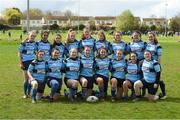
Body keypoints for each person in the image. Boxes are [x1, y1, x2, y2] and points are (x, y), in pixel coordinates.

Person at [145, 32, 166, 99]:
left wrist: (158, 65)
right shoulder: (147, 44)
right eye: (149, 37)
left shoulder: (158, 45)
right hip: (148, 63)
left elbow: (159, 57)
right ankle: (144, 93)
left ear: (154, 37)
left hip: (155, 64)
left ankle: (164, 94)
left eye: (151, 36)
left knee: (158, 79)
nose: (150, 38)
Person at [18, 31, 37, 98]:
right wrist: (21, 63)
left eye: (34, 36)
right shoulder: (23, 43)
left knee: (30, 78)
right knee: (26, 79)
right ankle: (25, 94)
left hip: (32, 62)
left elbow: (35, 51)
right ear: (28, 35)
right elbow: (19, 53)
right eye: (31, 35)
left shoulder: (35, 43)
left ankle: (29, 93)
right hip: (25, 62)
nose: (32, 37)